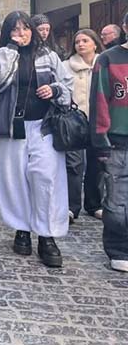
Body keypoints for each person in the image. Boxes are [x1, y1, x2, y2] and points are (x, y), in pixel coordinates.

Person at [0, 11, 73, 268]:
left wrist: (53, 90)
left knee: (46, 178)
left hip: (44, 126)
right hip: (12, 128)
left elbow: (67, 86)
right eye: (15, 29)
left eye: (25, 29)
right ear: (7, 33)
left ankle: (46, 235)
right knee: (14, 181)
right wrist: (11, 49)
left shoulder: (48, 56)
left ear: (32, 31)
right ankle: (21, 229)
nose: (21, 34)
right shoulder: (1, 55)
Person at [90, 13, 128, 272]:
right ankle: (119, 248)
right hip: (118, 140)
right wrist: (100, 139)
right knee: (117, 199)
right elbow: (100, 100)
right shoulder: (108, 59)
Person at [63, 29, 104, 223]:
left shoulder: (104, 63)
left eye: (85, 41)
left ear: (95, 43)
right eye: (77, 41)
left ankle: (94, 204)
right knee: (74, 165)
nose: (81, 44)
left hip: (99, 120)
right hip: (75, 121)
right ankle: (71, 207)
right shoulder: (66, 66)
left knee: (97, 164)